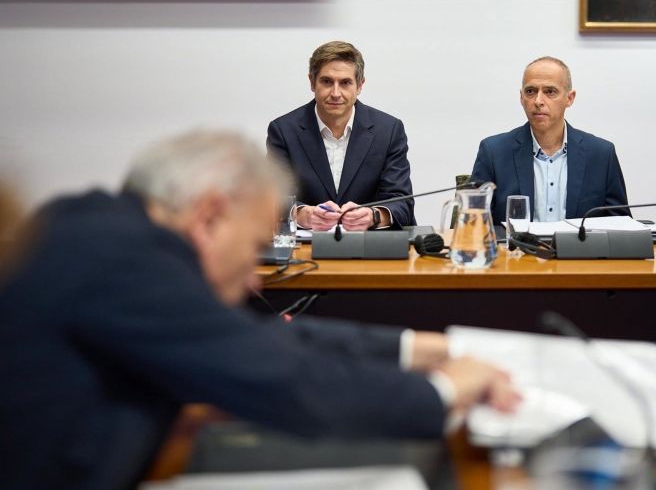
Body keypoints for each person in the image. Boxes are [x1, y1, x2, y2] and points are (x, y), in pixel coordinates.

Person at [0, 130, 518, 490]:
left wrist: (421, 349)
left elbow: (261, 339)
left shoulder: (98, 230)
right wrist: (442, 392)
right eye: (253, 248)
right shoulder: (123, 260)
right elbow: (281, 376)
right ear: (209, 218)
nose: (254, 278)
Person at [267, 41, 416, 231]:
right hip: (308, 245)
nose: (336, 93)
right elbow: (274, 200)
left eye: (345, 83)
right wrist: (304, 215)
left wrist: (374, 216)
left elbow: (402, 203)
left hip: (371, 244)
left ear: (360, 85)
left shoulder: (389, 130)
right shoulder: (283, 131)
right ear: (312, 82)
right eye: (327, 82)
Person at [471, 56, 630, 225]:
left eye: (550, 92)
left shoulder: (601, 155)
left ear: (570, 98)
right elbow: (471, 224)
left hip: (580, 244)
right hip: (514, 243)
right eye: (530, 91)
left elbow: (621, 226)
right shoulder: (494, 152)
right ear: (521, 97)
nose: (538, 101)